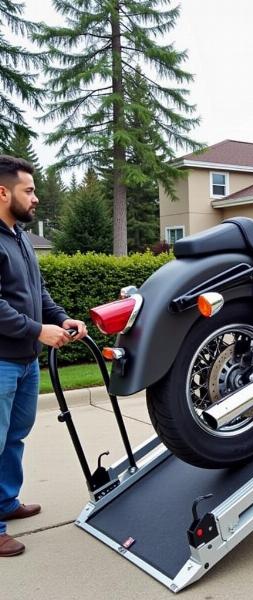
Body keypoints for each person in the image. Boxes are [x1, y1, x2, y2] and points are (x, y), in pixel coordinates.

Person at [0, 155, 87, 557]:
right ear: (3, 192)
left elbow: (38, 292)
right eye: (28, 190)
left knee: (14, 438)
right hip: (2, 362)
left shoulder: (18, 237)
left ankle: (5, 503)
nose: (36, 198)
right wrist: (38, 331)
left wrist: (60, 318)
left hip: (25, 361)